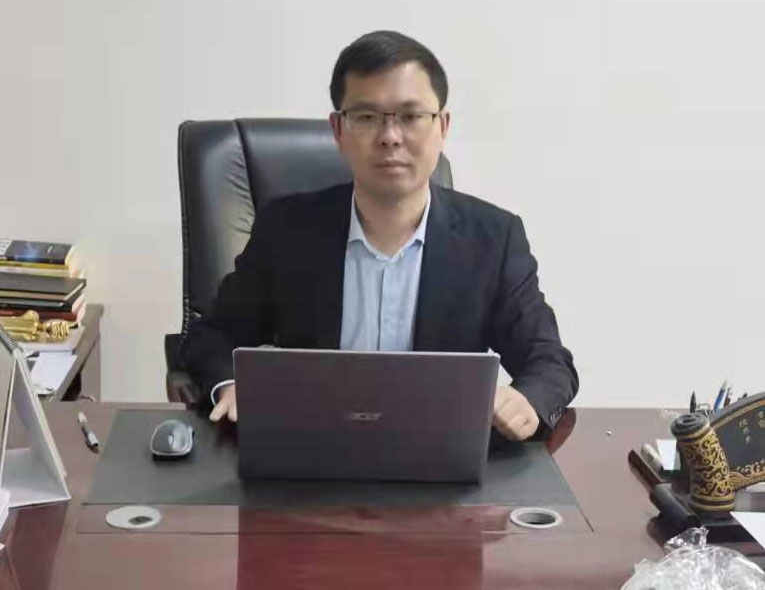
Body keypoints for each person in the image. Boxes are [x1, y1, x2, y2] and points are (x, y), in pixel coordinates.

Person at [184, 30, 578, 441]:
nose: (390, 136)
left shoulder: (493, 240)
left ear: (442, 126)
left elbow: (549, 361)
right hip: (310, 450)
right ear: (338, 130)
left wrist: (526, 400)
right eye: (367, 117)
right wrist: (230, 384)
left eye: (410, 116)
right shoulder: (286, 230)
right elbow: (213, 335)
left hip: (439, 456)